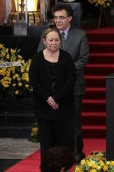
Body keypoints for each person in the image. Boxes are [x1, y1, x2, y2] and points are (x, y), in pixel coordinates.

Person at [38, 3, 89, 164]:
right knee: (54, 123)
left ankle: (76, 153)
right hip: (51, 88)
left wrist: (62, 70)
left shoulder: (80, 35)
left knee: (74, 123)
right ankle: (56, 155)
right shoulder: (46, 35)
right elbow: (39, 56)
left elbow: (82, 60)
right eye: (56, 18)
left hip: (73, 87)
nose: (58, 21)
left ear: (70, 18)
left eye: (61, 17)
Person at [29, 28, 76, 170]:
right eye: (51, 40)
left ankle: (65, 168)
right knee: (46, 143)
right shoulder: (37, 58)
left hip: (64, 108)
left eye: (57, 40)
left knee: (65, 142)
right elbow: (34, 82)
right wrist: (49, 99)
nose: (54, 43)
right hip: (44, 109)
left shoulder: (66, 57)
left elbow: (70, 80)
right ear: (44, 41)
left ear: (61, 41)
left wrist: (56, 99)